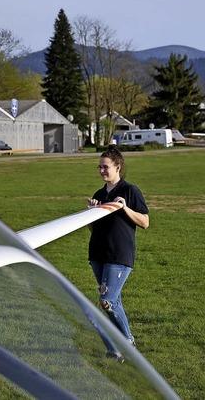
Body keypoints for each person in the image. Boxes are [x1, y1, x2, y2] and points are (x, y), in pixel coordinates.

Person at [87, 146, 149, 349]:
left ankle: (127, 343)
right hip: (98, 255)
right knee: (114, 301)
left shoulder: (130, 191)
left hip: (119, 256)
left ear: (118, 167)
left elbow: (145, 222)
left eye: (105, 167)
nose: (101, 171)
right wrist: (91, 213)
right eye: (99, 167)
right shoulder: (99, 193)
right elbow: (93, 229)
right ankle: (116, 352)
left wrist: (125, 208)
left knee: (107, 302)